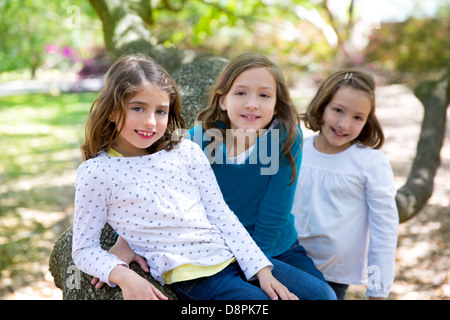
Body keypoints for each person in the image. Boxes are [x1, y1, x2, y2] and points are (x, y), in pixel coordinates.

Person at [72, 53, 336, 300]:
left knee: (322, 295)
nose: (151, 122)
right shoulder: (96, 173)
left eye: (161, 111)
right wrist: (124, 275)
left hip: (233, 255)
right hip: (194, 274)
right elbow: (84, 249)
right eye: (138, 108)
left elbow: (221, 214)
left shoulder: (185, 150)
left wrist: (262, 271)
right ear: (112, 110)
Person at [186, 52, 326, 282]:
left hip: (275, 246)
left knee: (324, 297)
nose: (252, 104)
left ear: (276, 104)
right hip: (221, 250)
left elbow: (275, 213)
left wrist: (256, 268)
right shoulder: (199, 140)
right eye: (240, 93)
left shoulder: (286, 139)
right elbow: (162, 189)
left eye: (264, 95)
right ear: (223, 100)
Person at [291, 69, 399, 299]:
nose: (344, 124)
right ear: (322, 106)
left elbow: (384, 231)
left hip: (334, 276)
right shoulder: (297, 150)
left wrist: (377, 290)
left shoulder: (370, 163)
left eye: (357, 117)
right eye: (338, 110)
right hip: (287, 265)